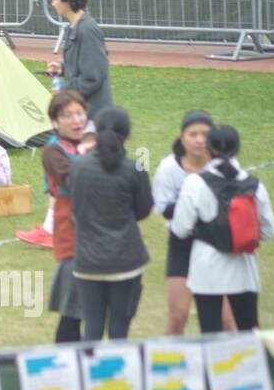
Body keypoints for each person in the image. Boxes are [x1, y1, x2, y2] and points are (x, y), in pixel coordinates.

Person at [18, 0, 113, 246]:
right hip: (82, 115)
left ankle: (57, 229)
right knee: (66, 170)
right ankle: (54, 227)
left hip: (90, 116)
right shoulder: (75, 28)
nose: (53, 3)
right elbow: (83, 70)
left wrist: (66, 91)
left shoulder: (86, 29)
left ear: (68, 1)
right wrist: (62, 70)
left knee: (71, 171)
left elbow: (94, 76)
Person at [169, 125, 274, 333]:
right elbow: (268, 230)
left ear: (208, 149)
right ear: (238, 150)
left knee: (211, 336)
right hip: (245, 268)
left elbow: (180, 229)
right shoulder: (255, 184)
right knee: (249, 333)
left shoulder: (195, 183)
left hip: (206, 270)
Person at [69, 107, 151, 341]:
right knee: (119, 329)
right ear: (127, 134)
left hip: (87, 260)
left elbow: (76, 208)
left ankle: (89, 375)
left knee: (91, 328)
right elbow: (143, 211)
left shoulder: (78, 166)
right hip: (126, 260)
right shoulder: (136, 169)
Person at [153, 110, 236, 335]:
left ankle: (239, 367)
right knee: (177, 318)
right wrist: (199, 208)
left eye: (204, 134)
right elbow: (164, 208)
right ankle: (165, 367)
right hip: (182, 244)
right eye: (193, 134)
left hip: (215, 246)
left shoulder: (224, 167)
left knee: (227, 320)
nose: (199, 140)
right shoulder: (169, 167)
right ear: (182, 137)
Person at [42, 90, 90, 344]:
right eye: (67, 115)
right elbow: (73, 181)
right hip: (71, 235)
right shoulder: (53, 151)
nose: (75, 120)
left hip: (97, 235)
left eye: (80, 113)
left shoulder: (89, 144)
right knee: (72, 311)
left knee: (92, 309)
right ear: (55, 121)